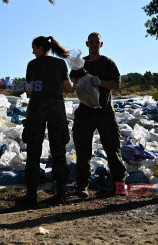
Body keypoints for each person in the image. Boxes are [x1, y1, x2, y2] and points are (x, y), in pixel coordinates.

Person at [19, 36, 74, 206]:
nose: (32, 51)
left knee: (33, 151)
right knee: (58, 150)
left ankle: (32, 195)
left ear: (41, 48)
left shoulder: (32, 65)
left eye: (34, 47)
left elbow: (29, 90)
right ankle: (61, 194)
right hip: (56, 108)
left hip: (36, 108)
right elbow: (68, 88)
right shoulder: (60, 64)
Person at [69, 32, 126, 198]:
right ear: (87, 44)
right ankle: (82, 187)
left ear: (101, 44)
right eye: (91, 42)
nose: (94, 45)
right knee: (83, 150)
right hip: (85, 112)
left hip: (105, 112)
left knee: (112, 148)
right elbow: (72, 83)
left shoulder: (108, 63)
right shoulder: (80, 63)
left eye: (97, 42)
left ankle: (119, 185)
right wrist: (75, 83)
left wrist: (100, 82)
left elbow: (117, 84)